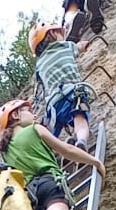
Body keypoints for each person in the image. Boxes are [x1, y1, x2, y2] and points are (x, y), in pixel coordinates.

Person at [30, 24, 96, 154]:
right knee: (80, 119)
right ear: (52, 34)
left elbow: (40, 84)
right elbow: (80, 46)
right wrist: (86, 44)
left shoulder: (39, 65)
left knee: (52, 134)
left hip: (53, 104)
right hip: (73, 92)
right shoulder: (65, 46)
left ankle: (57, 150)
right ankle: (81, 141)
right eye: (59, 32)